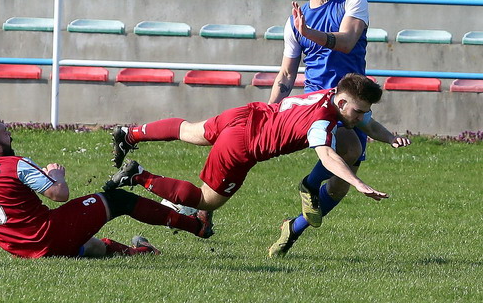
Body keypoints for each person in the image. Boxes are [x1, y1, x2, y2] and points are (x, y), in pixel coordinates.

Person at [105, 74, 411, 253]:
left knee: (189, 130)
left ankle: (130, 134)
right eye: (358, 111)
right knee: (205, 201)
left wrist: (390, 138)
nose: (361, 116)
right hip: (243, 145)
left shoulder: (334, 96)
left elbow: (368, 124)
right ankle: (138, 175)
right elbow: (328, 156)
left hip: (247, 114)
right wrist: (357, 183)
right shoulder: (321, 122)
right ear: (343, 103)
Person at [0, 117, 214, 260]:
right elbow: (59, 195)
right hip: (49, 235)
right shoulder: (15, 164)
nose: (10, 135)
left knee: (91, 246)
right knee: (118, 199)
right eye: (5, 133)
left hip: (24, 251)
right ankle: (196, 226)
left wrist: (14, 229)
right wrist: (56, 176)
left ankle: (142, 253)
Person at [267, 0, 376, 256]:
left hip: (353, 101)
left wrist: (309, 31)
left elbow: (346, 42)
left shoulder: (353, 2)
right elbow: (286, 75)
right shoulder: (294, 23)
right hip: (320, 102)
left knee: (341, 185)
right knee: (350, 147)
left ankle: (293, 228)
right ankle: (309, 185)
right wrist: (270, 109)